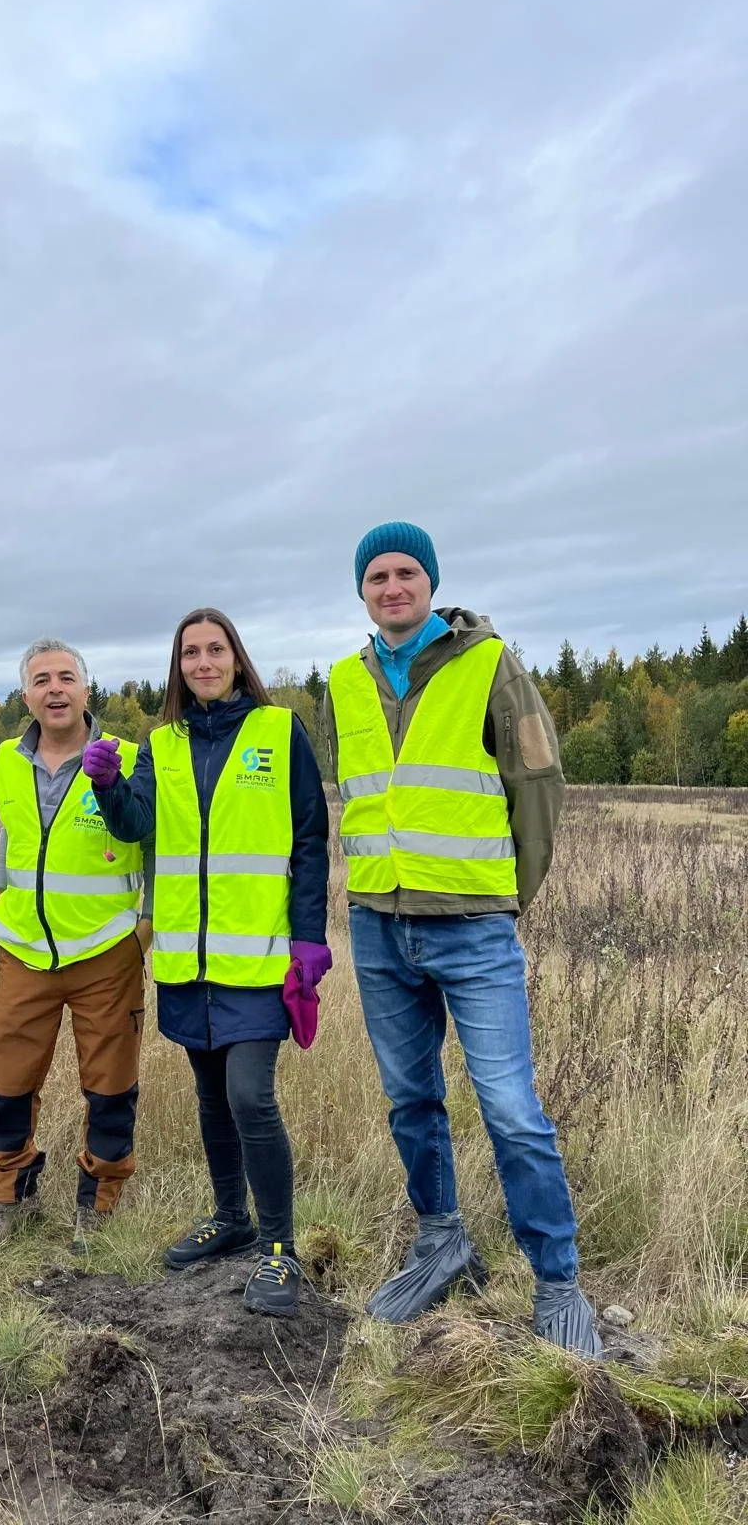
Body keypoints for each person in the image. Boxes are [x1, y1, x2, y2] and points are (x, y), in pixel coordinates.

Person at [326, 522, 602, 1356]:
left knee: (512, 1110)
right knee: (411, 1101)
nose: (393, 586)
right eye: (377, 575)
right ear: (362, 591)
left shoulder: (488, 661)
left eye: (407, 572)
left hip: (472, 927)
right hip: (378, 925)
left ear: (431, 583)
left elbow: (538, 781)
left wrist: (508, 897)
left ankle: (558, 1282)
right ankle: (442, 1242)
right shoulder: (344, 678)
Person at [85, 609, 330, 1318]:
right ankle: (231, 1217)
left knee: (251, 1094)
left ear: (235, 657)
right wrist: (107, 787)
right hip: (187, 964)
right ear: (178, 667)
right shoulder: (160, 744)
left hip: (258, 958)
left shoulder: (279, 733)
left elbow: (310, 841)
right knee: (212, 1096)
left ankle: (278, 1249)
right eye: (189, 653)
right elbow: (138, 826)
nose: (202, 662)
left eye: (214, 649)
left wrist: (309, 939)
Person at [0, 640, 152, 1253]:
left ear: (86, 689)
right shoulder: (6, 759)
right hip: (24, 950)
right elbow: (10, 840)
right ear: (25, 695)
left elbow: (154, 843)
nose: (55, 689)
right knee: (10, 1081)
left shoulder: (126, 758)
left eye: (66, 678)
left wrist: (143, 923)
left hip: (105, 951)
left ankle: (96, 1206)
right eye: (41, 680)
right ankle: (7, 1196)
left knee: (109, 1084)